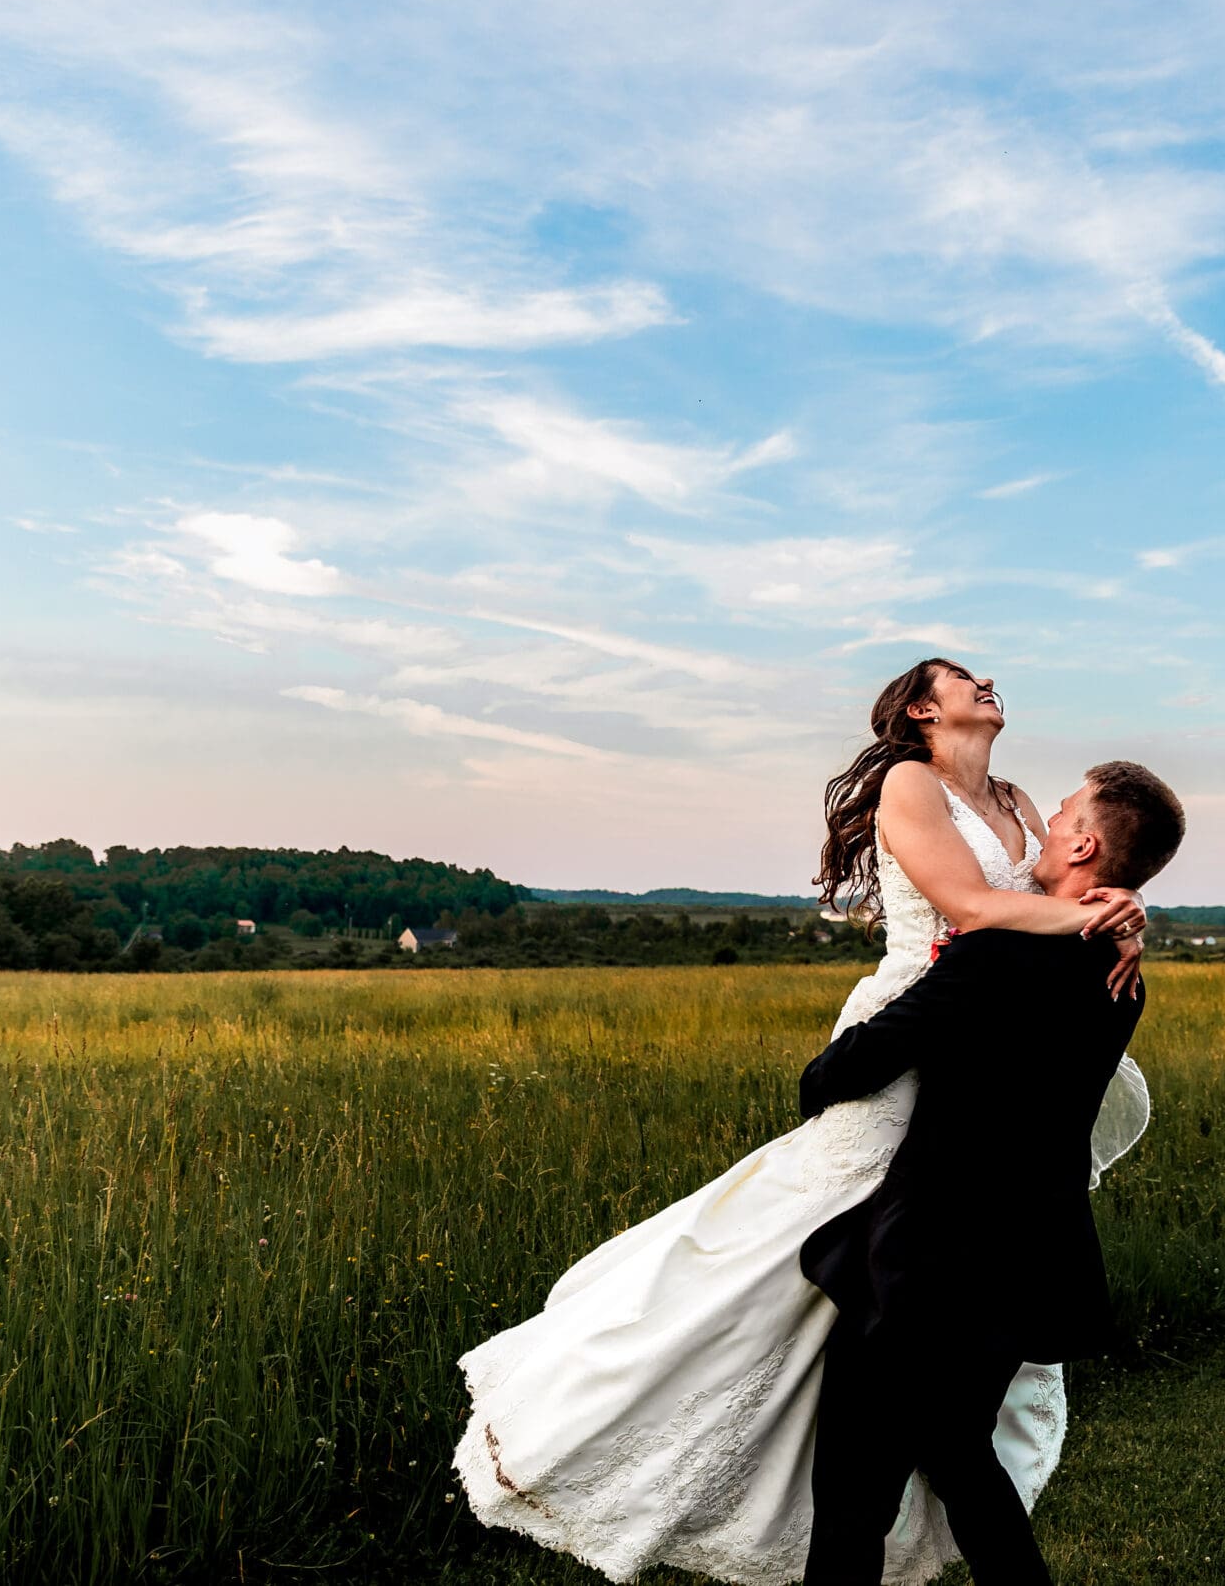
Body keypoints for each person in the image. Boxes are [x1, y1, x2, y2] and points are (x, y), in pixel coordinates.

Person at [453, 659, 1155, 1585]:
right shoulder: (1099, 961)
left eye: (1067, 817)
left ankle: (699, 1403)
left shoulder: (1004, 910)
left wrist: (1109, 912)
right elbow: (995, 902)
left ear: (1081, 844)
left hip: (941, 1169)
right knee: (937, 1422)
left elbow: (980, 930)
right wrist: (1108, 915)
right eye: (963, 678)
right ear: (921, 708)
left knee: (871, 1450)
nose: (988, 682)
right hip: (1004, 1190)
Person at [799, 760, 1187, 1585]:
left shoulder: (1000, 953)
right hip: (1030, 1260)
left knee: (854, 1491)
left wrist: (818, 1073)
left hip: (931, 1260)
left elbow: (862, 1060)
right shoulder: (1122, 979)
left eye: (1065, 813)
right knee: (960, 1457)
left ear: (1084, 846)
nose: (1048, 821)